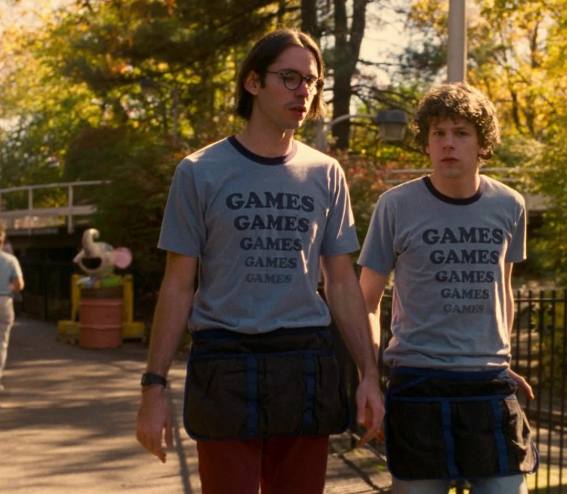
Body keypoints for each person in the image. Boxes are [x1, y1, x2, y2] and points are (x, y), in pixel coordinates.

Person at [135, 29, 383, 494]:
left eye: (312, 81)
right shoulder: (199, 171)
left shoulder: (326, 173)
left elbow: (342, 283)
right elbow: (178, 285)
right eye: (289, 78)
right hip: (225, 364)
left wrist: (369, 376)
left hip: (304, 364)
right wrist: (153, 387)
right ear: (252, 82)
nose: (303, 91)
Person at [358, 83, 538, 494]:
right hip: (418, 382)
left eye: (461, 132)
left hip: (487, 385)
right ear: (426, 143)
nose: (448, 143)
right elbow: (365, 301)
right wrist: (368, 378)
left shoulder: (509, 205)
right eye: (438, 133)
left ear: (482, 143)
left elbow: (502, 290)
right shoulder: (395, 205)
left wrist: (501, 357)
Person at [0, 224, 24, 392]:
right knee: (1, 343)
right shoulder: (10, 260)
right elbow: (19, 284)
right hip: (4, 302)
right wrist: (8, 288)